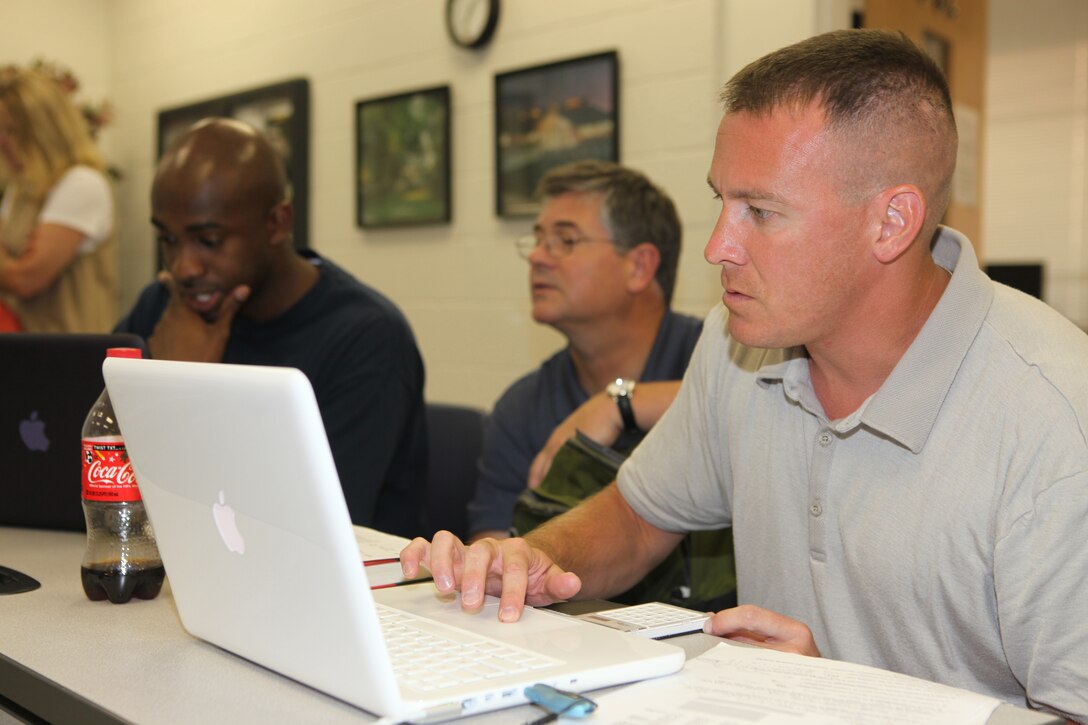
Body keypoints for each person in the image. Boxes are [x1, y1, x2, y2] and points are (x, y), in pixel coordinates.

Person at [404, 29, 1088, 722]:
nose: (716, 247)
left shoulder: (1054, 420)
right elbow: (640, 517)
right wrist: (531, 557)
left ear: (891, 222)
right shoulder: (743, 343)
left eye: (760, 212)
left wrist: (855, 705)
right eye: (721, 202)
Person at [116, 118, 427, 538]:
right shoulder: (164, 305)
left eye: (208, 240)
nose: (184, 267)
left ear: (278, 223)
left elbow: (298, 533)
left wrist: (183, 392)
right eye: (169, 240)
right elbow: (89, 458)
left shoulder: (366, 337)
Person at [466, 160, 701, 542]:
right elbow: (492, 554)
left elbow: (750, 404)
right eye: (539, 239)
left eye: (566, 240)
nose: (538, 257)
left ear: (639, 267)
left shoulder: (730, 361)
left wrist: (618, 404)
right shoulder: (522, 406)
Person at [0, 69, 117, 332]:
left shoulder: (81, 183)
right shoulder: (20, 190)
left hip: (71, 357)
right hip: (26, 353)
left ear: (44, 131)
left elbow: (25, 280)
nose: (2, 142)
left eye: (12, 131)